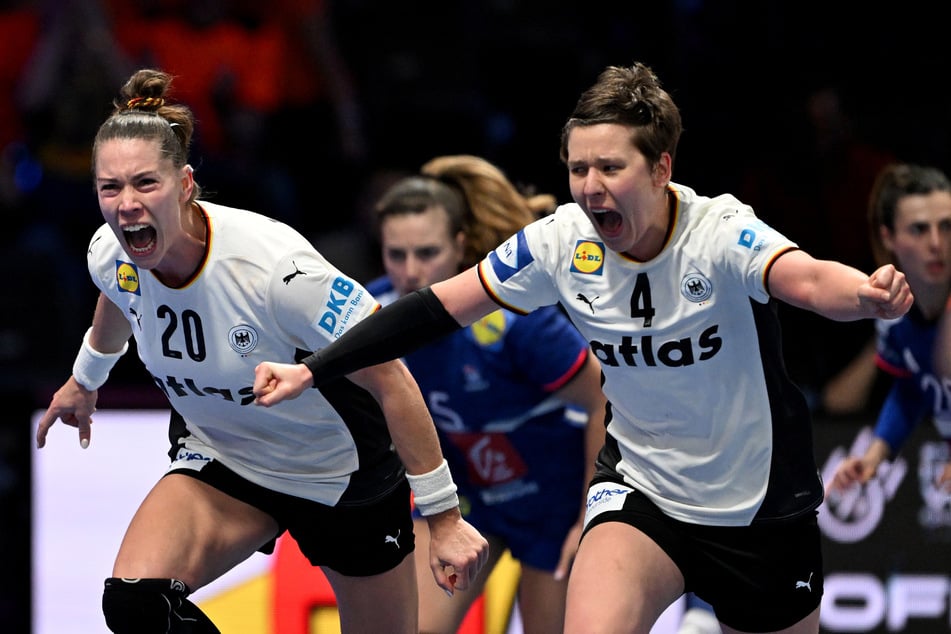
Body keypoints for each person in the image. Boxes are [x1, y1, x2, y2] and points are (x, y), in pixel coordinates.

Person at [252, 62, 914, 633]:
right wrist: (317, 368)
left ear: (661, 169)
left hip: (760, 505)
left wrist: (866, 294)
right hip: (642, 491)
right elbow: (432, 309)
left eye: (610, 167)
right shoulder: (562, 240)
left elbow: (808, 280)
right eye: (578, 168)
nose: (590, 185)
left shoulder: (719, 232)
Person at [33, 68, 488, 634]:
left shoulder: (275, 270)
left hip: (340, 473)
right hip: (227, 459)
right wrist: (85, 379)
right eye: (110, 188)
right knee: (135, 604)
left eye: (145, 183)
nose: (126, 204)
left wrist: (443, 516)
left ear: (185, 184)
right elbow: (119, 295)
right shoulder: (112, 251)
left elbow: (391, 377)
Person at [365, 154, 607, 633]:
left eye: (427, 253)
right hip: (466, 499)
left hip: (555, 503)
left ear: (460, 246)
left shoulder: (514, 319)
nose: (410, 272)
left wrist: (589, 519)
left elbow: (603, 399)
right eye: (396, 255)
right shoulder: (374, 314)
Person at [827, 163, 951, 494]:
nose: (936, 242)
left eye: (946, 226)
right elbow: (912, 389)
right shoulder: (895, 320)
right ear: (889, 238)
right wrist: (873, 456)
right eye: (919, 229)